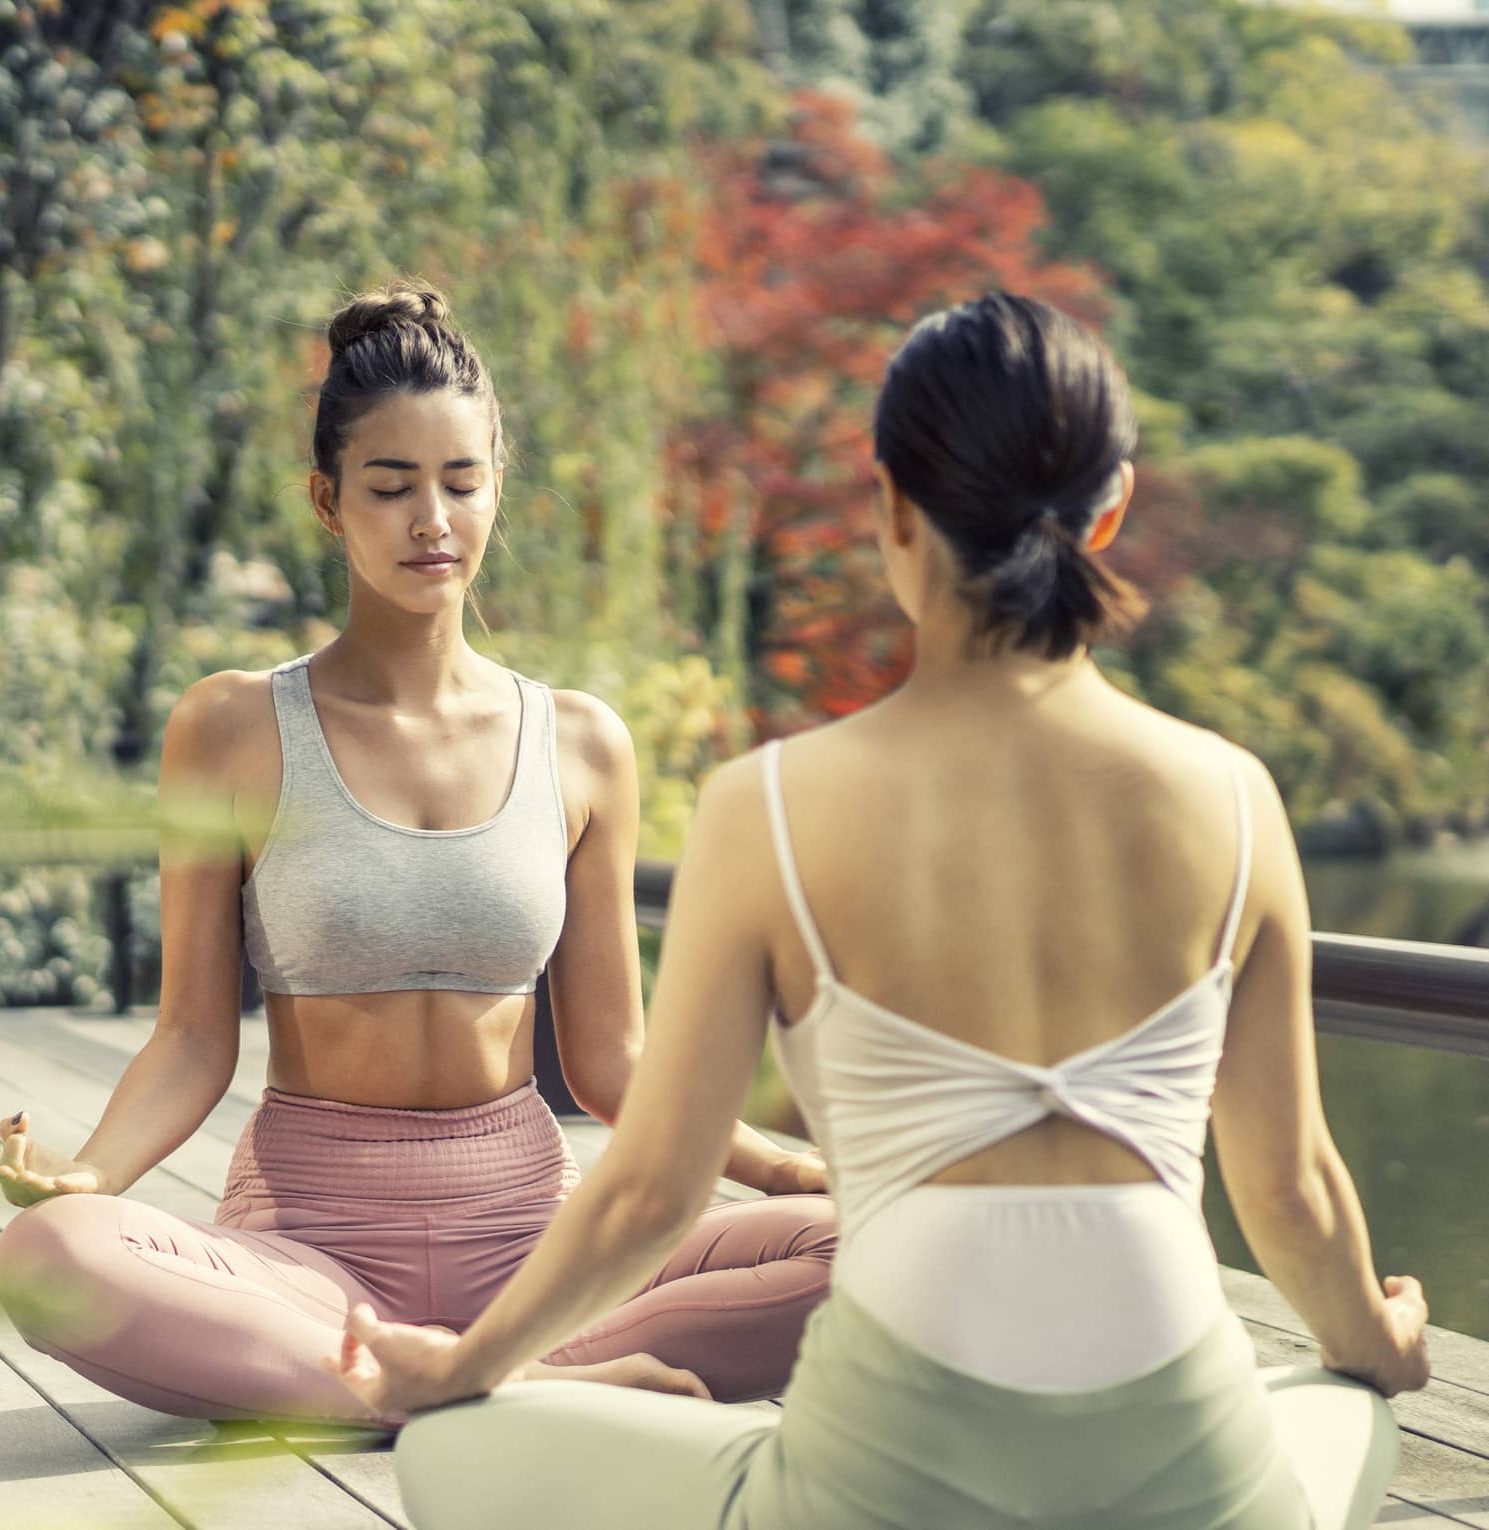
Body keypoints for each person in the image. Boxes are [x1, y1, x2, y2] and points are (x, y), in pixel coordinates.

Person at [330, 293, 1429, 1529]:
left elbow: (649, 1192)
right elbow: (1290, 1189)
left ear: (893, 507)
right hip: (1187, 1471)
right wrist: (1377, 1347)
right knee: (1347, 1408)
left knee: (447, 1453)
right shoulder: (1234, 798)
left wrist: (463, 1367)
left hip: (877, 1482)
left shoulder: (772, 807)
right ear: (1109, 507)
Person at [0, 279, 835, 1423]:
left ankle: (477, 1372)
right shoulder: (232, 728)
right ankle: (526, 1395)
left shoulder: (581, 742)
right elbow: (192, 1037)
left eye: (461, 482)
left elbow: (612, 1064)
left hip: (540, 1259)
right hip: (309, 1259)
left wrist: (794, 1169)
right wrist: (87, 1177)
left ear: (496, 491)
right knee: (55, 1257)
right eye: (390, 488)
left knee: (863, 1249)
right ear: (328, 503)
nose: (431, 520)